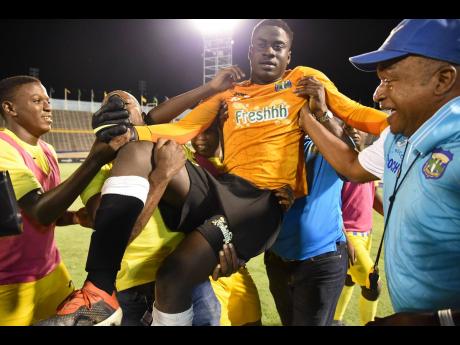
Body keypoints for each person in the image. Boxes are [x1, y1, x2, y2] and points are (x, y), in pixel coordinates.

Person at [42, 19, 388, 326]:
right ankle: (99, 289)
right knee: (139, 153)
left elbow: (358, 114)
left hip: (262, 203)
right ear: (249, 51)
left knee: (176, 275)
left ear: (289, 55)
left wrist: (412, 118)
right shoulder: (230, 93)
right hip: (224, 189)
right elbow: (186, 126)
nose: (269, 51)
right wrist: (135, 134)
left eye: (278, 46)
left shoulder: (303, 81)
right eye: (262, 45)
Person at [297, 19, 460, 325]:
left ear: (443, 79)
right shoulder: (398, 134)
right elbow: (353, 167)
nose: (377, 94)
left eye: (390, 80)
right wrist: (311, 119)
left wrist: (435, 321)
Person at [80, 90, 222, 326]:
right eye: (108, 106)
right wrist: (160, 177)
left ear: (143, 116)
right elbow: (113, 236)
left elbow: (208, 204)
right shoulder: (99, 172)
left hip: (189, 279)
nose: (116, 108)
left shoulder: (171, 149)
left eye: (124, 103)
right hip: (132, 291)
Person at [0, 76, 128, 325]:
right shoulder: (4, 149)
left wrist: (74, 217)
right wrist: (94, 160)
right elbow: (38, 211)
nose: (48, 107)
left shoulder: (48, 150)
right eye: (37, 101)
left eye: (48, 101)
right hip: (9, 284)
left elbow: (50, 210)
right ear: (10, 108)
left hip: (52, 272)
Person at [264, 114, 354, 326]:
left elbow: (352, 166)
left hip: (321, 260)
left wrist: (323, 115)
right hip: (278, 258)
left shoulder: (325, 146)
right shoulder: (272, 146)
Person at [189, 118, 262, 326]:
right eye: (196, 132)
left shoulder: (236, 166)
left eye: (207, 132)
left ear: (221, 132)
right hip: (207, 271)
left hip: (236, 266)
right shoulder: (190, 165)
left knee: (252, 320)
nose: (199, 139)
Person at [333, 125, 384, 326]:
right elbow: (330, 204)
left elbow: (371, 196)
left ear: (367, 133)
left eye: (359, 127)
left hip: (367, 232)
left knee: (349, 280)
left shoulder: (367, 160)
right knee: (373, 284)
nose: (354, 130)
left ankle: (335, 321)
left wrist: (391, 213)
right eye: (347, 126)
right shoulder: (338, 162)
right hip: (349, 234)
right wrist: (344, 237)